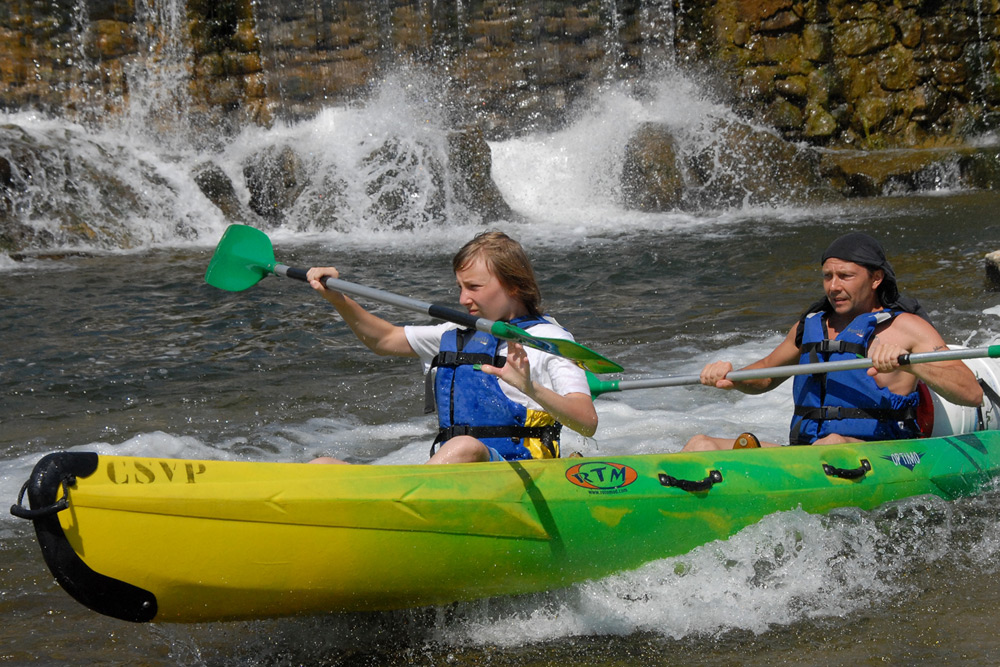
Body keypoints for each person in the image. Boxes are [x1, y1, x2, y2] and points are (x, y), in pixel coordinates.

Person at [305, 231, 598, 464]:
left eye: (474, 287)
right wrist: (337, 298)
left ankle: (398, 499)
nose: (462, 299)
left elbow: (587, 422)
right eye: (460, 287)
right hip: (459, 475)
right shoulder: (458, 335)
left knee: (465, 446)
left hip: (524, 473)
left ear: (513, 286)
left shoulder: (549, 341)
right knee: (322, 466)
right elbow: (384, 340)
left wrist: (529, 387)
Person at [683, 232, 983, 451]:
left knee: (832, 443)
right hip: (809, 453)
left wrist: (911, 365)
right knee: (701, 445)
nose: (834, 286)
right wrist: (732, 378)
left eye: (845, 276)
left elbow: (971, 393)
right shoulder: (809, 326)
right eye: (828, 276)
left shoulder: (906, 327)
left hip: (881, 454)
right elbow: (766, 375)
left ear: (876, 278)